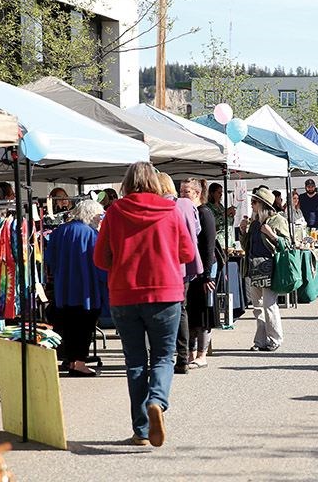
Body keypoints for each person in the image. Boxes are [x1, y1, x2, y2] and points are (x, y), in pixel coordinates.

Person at [94, 162, 195, 447]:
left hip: (125, 295)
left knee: (135, 362)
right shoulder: (171, 210)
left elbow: (100, 259)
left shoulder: (114, 212)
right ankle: (157, 401)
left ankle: (140, 430)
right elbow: (187, 252)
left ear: (126, 183)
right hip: (165, 293)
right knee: (164, 356)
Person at [44, 200, 105, 377]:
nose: (100, 219)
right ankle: (79, 363)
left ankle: (72, 360)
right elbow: (100, 262)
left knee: (69, 325)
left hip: (64, 287)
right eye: (98, 216)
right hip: (87, 288)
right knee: (84, 325)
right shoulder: (91, 234)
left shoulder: (60, 231)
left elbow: (50, 259)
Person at [157, 172, 203, 375]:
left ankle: (166, 357)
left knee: (162, 311)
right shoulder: (186, 205)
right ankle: (183, 357)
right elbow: (197, 230)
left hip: (164, 266)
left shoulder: (160, 207)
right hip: (184, 266)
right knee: (181, 309)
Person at [239, 187, 289, 351]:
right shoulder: (254, 224)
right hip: (254, 269)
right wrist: (242, 232)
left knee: (269, 305)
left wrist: (272, 235)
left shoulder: (277, 220)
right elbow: (247, 246)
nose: (252, 205)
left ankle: (275, 339)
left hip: (271, 268)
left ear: (263, 204)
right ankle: (260, 341)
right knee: (257, 308)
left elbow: (288, 245)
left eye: (254, 202)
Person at [185, 179, 218, 369]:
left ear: (197, 193)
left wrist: (207, 275)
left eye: (187, 191)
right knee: (191, 312)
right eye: (181, 191)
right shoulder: (190, 212)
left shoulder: (204, 213)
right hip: (191, 270)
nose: (183, 194)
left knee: (205, 312)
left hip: (205, 269)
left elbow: (208, 246)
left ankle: (202, 354)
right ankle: (190, 353)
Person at [207, 182, 236, 249]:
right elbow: (211, 222)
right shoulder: (208, 207)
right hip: (218, 242)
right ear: (212, 193)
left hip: (228, 241)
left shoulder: (221, 207)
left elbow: (228, 223)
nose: (221, 195)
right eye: (219, 193)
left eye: (221, 193)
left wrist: (231, 215)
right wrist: (226, 213)